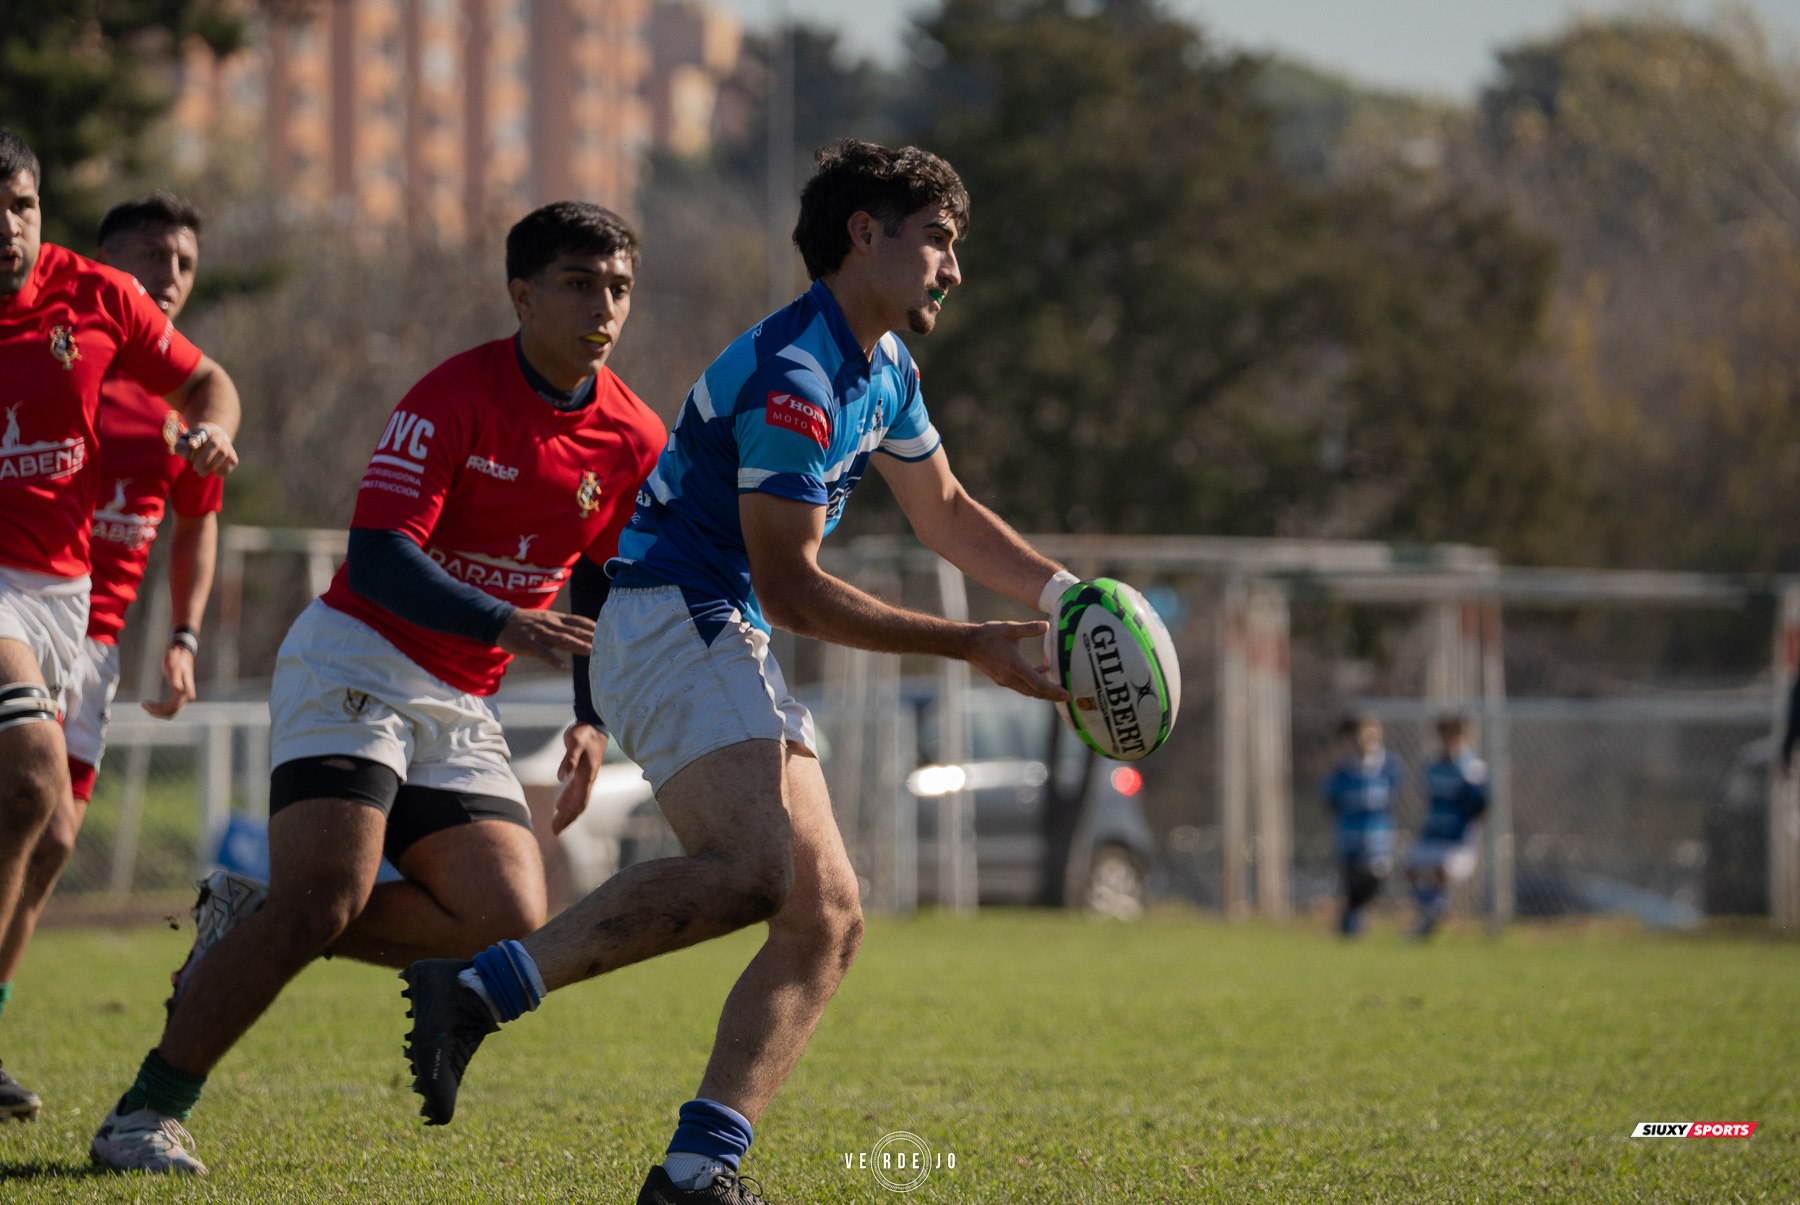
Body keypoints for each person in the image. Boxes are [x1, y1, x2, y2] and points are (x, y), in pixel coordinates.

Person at [398, 139, 1077, 1205]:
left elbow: (943, 508)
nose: (951, 268)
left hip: (717, 630)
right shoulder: (797, 378)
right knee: (757, 870)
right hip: (674, 619)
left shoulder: (883, 366)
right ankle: (479, 985)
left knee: (827, 916)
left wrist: (1062, 596)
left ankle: (696, 1168)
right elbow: (796, 586)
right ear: (866, 234)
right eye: (938, 241)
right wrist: (970, 646)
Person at [89, 201, 665, 1173]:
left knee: (507, 915)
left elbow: (602, 579)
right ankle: (143, 1113)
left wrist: (590, 714)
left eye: (616, 286)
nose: (601, 305)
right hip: (355, 655)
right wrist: (507, 621)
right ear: (522, 292)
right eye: (577, 282)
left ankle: (250, 917)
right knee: (325, 894)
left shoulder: (633, 433)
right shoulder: (452, 396)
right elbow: (381, 554)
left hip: (456, 698)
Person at [0, 131, 240, 1123]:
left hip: (75, 617)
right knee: (29, 774)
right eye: (154, 260)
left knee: (50, 832)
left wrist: (180, 636)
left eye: (18, 203)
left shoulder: (94, 309)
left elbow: (208, 394)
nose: (5, 225)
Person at [1406, 714, 1489, 939]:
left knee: (1443, 870)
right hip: (1433, 835)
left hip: (1458, 839)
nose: (1450, 738)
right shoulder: (1433, 765)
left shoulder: (1472, 768)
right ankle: (1430, 911)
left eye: (1455, 733)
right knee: (1411, 868)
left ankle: (1434, 911)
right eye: (1446, 733)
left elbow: (1480, 805)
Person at [1321, 714, 1401, 937]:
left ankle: (1350, 917)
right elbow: (1330, 799)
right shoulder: (1343, 770)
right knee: (1352, 882)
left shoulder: (1389, 765)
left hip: (1378, 837)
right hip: (1350, 837)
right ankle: (1351, 927)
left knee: (1375, 879)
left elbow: (1396, 796)